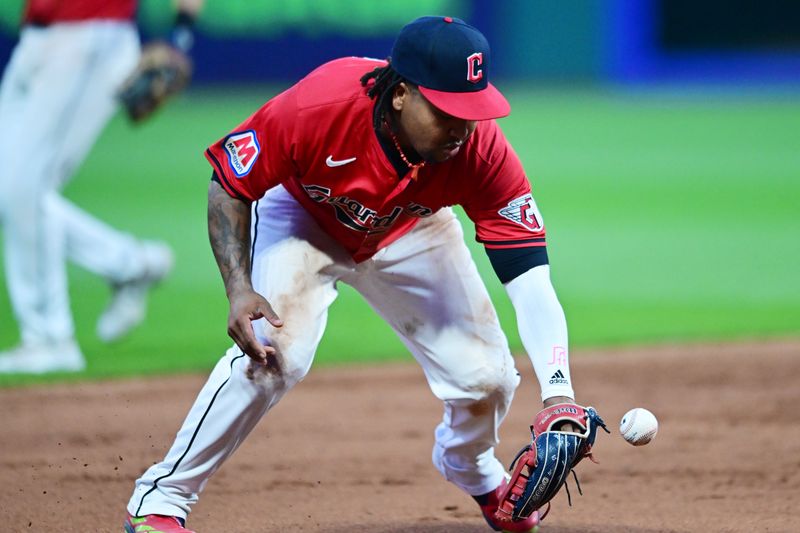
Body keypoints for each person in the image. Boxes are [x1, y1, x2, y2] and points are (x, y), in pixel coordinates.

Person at [124, 16, 583, 533]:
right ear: (401, 95)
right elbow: (229, 183)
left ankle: (474, 471)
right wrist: (238, 288)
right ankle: (161, 499)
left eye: (472, 110)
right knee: (274, 354)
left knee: (489, 378)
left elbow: (529, 278)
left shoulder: (480, 153)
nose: (462, 128)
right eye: (447, 110)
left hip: (412, 225)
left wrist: (559, 395)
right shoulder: (318, 107)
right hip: (303, 216)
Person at [0, 0, 204, 373]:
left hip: (89, 32)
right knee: (13, 190)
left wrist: (181, 35)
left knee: (26, 186)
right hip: (35, 37)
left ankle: (49, 339)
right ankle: (130, 263)